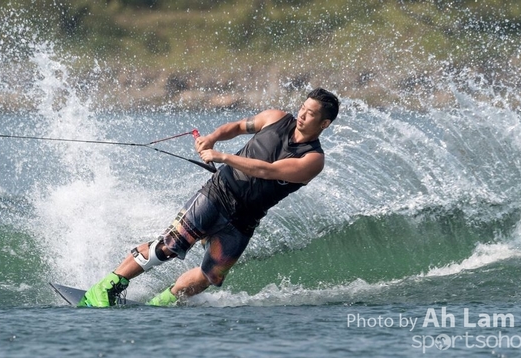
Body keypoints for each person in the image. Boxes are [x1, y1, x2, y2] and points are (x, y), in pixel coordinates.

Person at [78, 88, 340, 307]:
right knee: (168, 246)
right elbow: (238, 127)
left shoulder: (312, 159)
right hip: (217, 195)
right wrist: (212, 138)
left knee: (210, 276)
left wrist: (222, 156)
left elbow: (267, 170)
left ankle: (160, 304)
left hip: (244, 220)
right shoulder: (276, 118)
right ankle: (106, 287)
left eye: (311, 113)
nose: (302, 115)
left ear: (324, 123)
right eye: (303, 108)